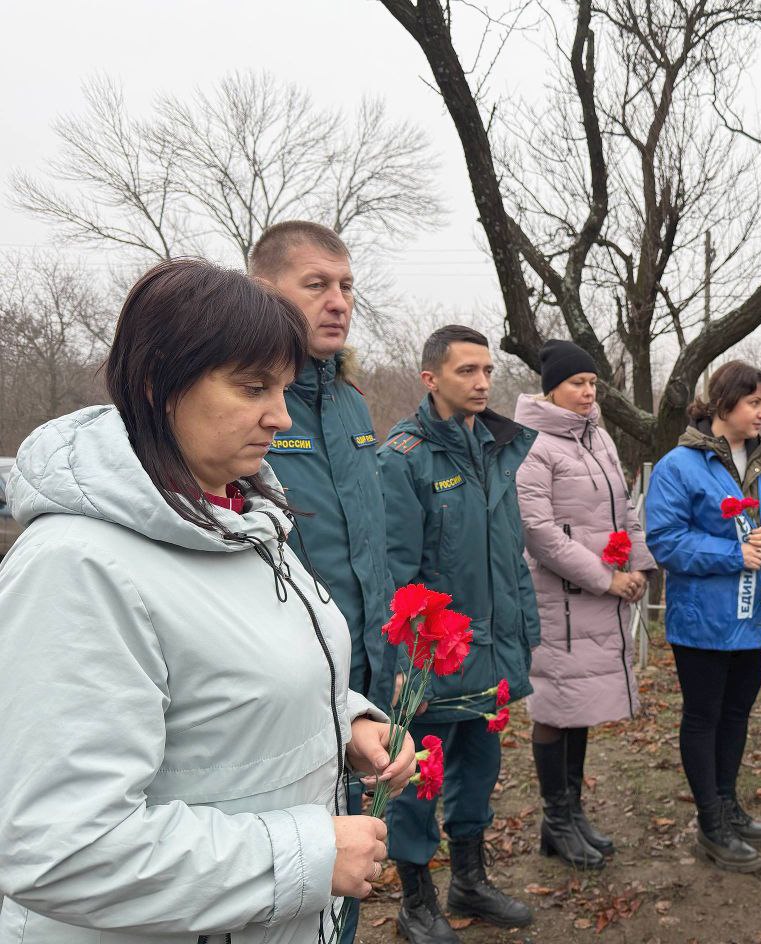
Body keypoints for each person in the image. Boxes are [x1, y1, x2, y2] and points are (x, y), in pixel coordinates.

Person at [0, 259, 414, 944]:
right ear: (157, 384)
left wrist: (343, 724)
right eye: (253, 388)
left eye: (281, 388)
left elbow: (221, 680)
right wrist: (311, 853)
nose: (279, 416)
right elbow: (60, 849)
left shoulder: (240, 517)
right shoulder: (77, 568)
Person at [250, 221, 395, 944]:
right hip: (285, 684)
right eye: (316, 286)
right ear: (261, 293)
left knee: (354, 853)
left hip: (363, 675)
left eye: (346, 287)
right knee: (299, 860)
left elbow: (372, 544)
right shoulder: (247, 409)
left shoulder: (351, 404)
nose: (338, 302)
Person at [379, 325, 539, 943]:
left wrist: (524, 631)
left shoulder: (499, 448)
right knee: (422, 778)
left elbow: (510, 553)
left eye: (486, 371)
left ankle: (469, 879)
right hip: (436, 659)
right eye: (466, 371)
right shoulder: (405, 458)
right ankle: (416, 900)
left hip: (493, 651)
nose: (480, 382)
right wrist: (404, 663)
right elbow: (398, 574)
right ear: (431, 379)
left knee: (480, 768)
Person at [645, 360, 761, 874]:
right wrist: (732, 553)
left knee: (737, 713)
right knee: (704, 715)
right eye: (754, 403)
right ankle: (710, 824)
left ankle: (726, 802)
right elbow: (665, 541)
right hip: (705, 619)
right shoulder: (681, 465)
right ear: (723, 405)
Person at [513, 339, 655, 870]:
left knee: (581, 709)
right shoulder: (533, 445)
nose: (588, 391)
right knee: (556, 708)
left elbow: (625, 509)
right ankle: (556, 818)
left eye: (593, 383)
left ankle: (571, 816)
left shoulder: (599, 439)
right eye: (578, 383)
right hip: (560, 604)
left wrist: (637, 564)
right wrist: (605, 580)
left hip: (601, 596)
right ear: (552, 388)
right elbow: (539, 533)